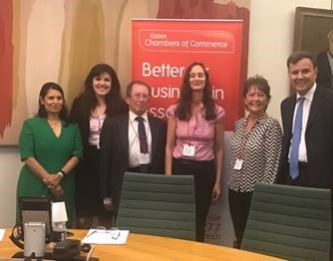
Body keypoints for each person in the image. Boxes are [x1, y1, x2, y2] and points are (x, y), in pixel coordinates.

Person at [277, 51, 333, 206]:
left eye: (305, 71)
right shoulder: (286, 104)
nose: (299, 76)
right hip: (290, 178)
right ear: (289, 75)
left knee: (320, 229)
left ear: (315, 72)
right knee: (289, 227)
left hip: (322, 181)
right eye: (294, 72)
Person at [165, 62, 225, 242]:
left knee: (200, 219)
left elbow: (219, 149)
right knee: (179, 218)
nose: (197, 78)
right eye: (193, 75)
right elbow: (168, 147)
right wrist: (169, 178)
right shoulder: (175, 110)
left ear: (206, 81)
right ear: (187, 80)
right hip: (180, 169)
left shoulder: (217, 112)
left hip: (204, 171)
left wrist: (217, 182)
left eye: (200, 75)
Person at [70, 64, 128, 228]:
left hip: (110, 164)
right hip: (85, 164)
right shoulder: (79, 103)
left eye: (106, 79)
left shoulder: (121, 107)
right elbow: (73, 134)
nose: (102, 83)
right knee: (84, 214)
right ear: (91, 81)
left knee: (106, 214)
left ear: (113, 83)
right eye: (98, 79)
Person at [17, 82, 83, 226]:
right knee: (33, 231)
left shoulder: (72, 126)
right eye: (51, 98)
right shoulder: (30, 125)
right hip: (34, 184)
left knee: (61, 232)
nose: (55, 102)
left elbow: (77, 153)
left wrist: (59, 175)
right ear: (42, 100)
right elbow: (27, 156)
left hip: (64, 185)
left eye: (59, 98)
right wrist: (51, 182)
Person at [228, 75, 282, 248]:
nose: (255, 99)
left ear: (267, 100)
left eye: (260, 95)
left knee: (255, 239)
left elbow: (272, 164)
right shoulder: (239, 124)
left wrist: (264, 193)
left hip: (255, 192)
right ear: (245, 99)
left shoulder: (271, 126)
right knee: (239, 234)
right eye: (251, 95)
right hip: (234, 189)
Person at [100, 80, 166, 216]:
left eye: (145, 96)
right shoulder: (113, 124)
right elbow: (104, 160)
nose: (141, 99)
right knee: (125, 226)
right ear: (128, 99)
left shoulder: (160, 126)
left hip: (152, 183)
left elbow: (164, 160)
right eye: (137, 95)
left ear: (149, 100)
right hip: (123, 184)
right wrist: (105, 195)